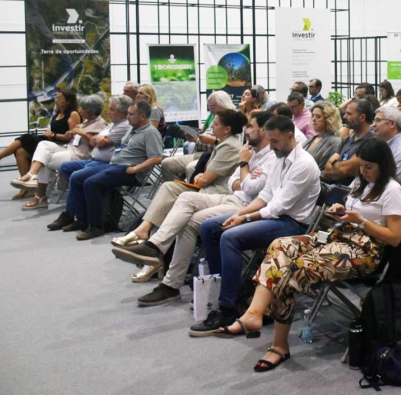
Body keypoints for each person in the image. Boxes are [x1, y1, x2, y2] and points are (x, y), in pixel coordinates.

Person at [220, 137, 401, 371]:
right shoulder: (362, 183)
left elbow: (394, 237)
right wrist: (341, 210)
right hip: (338, 236)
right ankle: (254, 313)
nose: (363, 171)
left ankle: (279, 346)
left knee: (292, 269)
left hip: (364, 249)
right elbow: (350, 211)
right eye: (361, 166)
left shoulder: (392, 190)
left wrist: (361, 221)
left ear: (383, 164)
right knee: (279, 246)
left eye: (369, 167)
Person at [113, 111, 278, 304]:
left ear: (264, 131)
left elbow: (250, 186)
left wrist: (243, 165)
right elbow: (234, 181)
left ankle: (170, 284)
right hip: (233, 196)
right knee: (185, 198)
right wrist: (244, 175)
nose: (247, 131)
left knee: (191, 220)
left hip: (248, 206)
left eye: (251, 127)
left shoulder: (266, 157)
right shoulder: (252, 151)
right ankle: (154, 246)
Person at [190, 115, 321, 336]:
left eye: (275, 141)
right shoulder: (281, 157)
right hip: (274, 217)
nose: (271, 146)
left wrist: (245, 218)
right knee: (209, 227)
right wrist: (240, 213)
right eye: (269, 140)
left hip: (293, 225)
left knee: (230, 237)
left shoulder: (304, 165)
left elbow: (277, 207)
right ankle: (223, 290)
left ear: (290, 136)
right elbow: (265, 195)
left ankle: (227, 308)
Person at [114, 109, 246, 246]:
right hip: (208, 188)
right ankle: (144, 229)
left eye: (216, 124)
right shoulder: (225, 142)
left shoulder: (229, 146)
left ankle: (151, 241)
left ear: (227, 129)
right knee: (168, 187)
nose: (212, 125)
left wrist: (200, 175)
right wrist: (201, 175)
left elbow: (204, 180)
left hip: (216, 192)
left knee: (174, 194)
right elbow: (205, 176)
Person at [58, 100, 164, 240]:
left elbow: (157, 157)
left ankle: (96, 226)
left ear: (143, 116)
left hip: (129, 170)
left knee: (91, 183)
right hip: (115, 165)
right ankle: (82, 220)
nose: (127, 117)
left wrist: (135, 169)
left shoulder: (150, 132)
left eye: (131, 114)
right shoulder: (132, 129)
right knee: (78, 178)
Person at [0, 87, 81, 199]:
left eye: (60, 98)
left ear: (68, 101)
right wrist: (50, 134)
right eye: (56, 97)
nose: (56, 100)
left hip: (60, 145)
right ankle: (26, 188)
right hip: (50, 140)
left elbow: (72, 138)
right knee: (20, 151)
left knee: (26, 137)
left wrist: (53, 135)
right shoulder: (57, 114)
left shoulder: (73, 114)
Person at [47, 96, 133, 230]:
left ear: (122, 112)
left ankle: (74, 215)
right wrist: (96, 138)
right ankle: (79, 207)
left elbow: (99, 142)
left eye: (111, 110)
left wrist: (94, 138)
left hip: (108, 163)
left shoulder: (123, 126)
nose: (108, 112)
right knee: (66, 167)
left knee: (77, 176)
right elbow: (94, 141)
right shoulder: (112, 125)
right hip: (94, 159)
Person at [17, 94, 107, 210]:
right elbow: (74, 138)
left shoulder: (101, 124)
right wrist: (70, 134)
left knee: (44, 159)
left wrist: (82, 133)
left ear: (92, 111)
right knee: (43, 145)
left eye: (83, 109)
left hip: (81, 155)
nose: (81, 111)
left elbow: (96, 144)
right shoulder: (86, 122)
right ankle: (32, 174)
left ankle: (40, 195)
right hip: (69, 148)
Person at [164, 91, 236, 182]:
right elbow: (209, 135)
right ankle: (180, 187)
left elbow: (226, 145)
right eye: (209, 107)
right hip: (204, 154)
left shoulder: (232, 120)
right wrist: (197, 138)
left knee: (190, 167)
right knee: (166, 163)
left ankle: (184, 189)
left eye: (212, 107)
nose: (210, 110)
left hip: (213, 155)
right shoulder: (216, 116)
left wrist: (197, 139)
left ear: (223, 104)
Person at [322, 99, 375, 184]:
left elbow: (345, 170)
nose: (344, 116)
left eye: (349, 114)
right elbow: (327, 168)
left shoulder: (371, 142)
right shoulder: (347, 139)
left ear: (362, 117)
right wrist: (341, 166)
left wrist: (336, 164)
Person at [372, 105, 401, 192]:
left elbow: (388, 184)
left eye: (378, 120)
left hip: (394, 196)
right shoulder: (377, 144)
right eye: (374, 120)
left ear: (392, 124)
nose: (373, 125)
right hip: (374, 190)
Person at [300, 101, 342, 169]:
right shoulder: (312, 139)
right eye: (313, 115)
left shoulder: (334, 142)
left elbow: (327, 169)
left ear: (328, 119)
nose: (313, 119)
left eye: (318, 117)